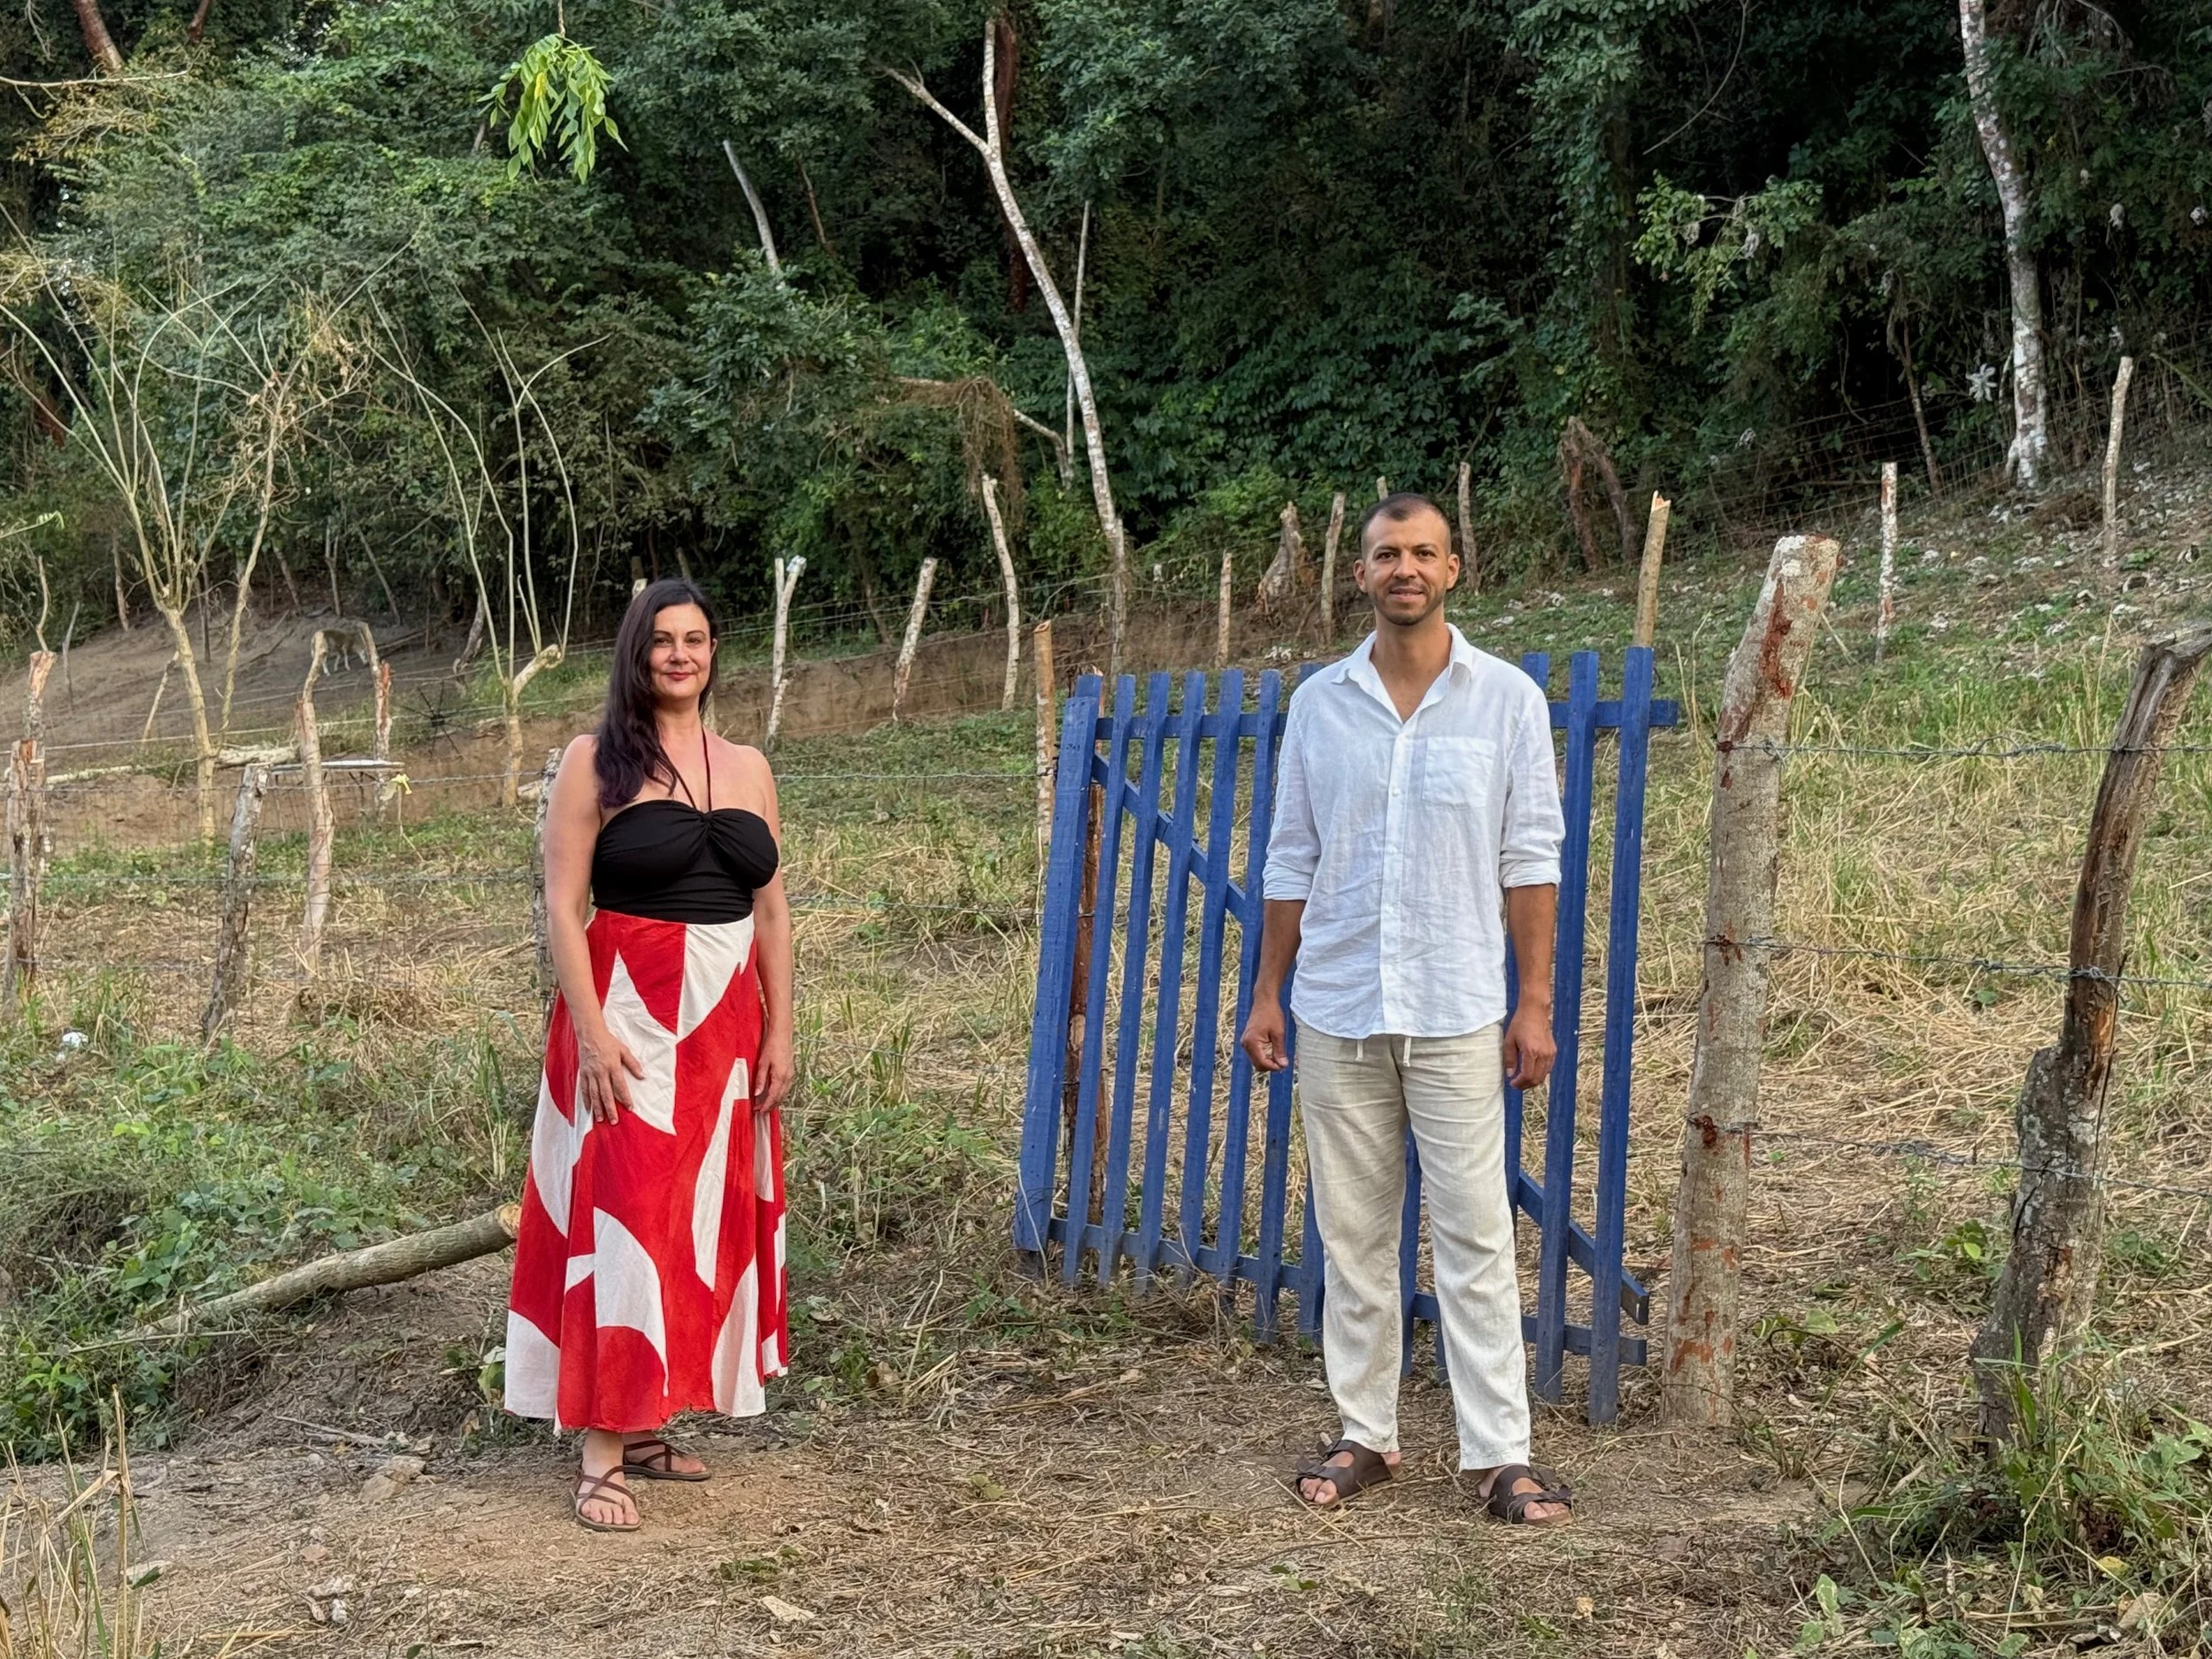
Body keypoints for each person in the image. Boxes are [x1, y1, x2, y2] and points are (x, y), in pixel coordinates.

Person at [1239, 492, 1573, 1526]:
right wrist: (1266, 991)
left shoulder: (1505, 700)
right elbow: (1291, 853)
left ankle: (1498, 1455)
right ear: (1361, 574)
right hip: (1338, 1002)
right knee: (1352, 1233)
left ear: (1453, 568)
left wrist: (1533, 1005)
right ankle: (1365, 1434)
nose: (1405, 570)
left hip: (1460, 1003)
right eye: (1387, 554)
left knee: (1472, 1231)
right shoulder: (1320, 704)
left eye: (1423, 553)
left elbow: (1529, 859)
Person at [504, 578, 796, 1533]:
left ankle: (647, 1418)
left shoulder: (747, 766)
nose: (681, 654)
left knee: (694, 1219)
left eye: (698, 639)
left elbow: (773, 909)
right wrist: (590, 1032)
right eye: (663, 640)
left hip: (725, 1022)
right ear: (635, 653)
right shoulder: (595, 761)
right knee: (625, 1219)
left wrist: (782, 1026)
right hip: (627, 1009)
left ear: (715, 655)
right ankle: (600, 1449)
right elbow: (561, 906)